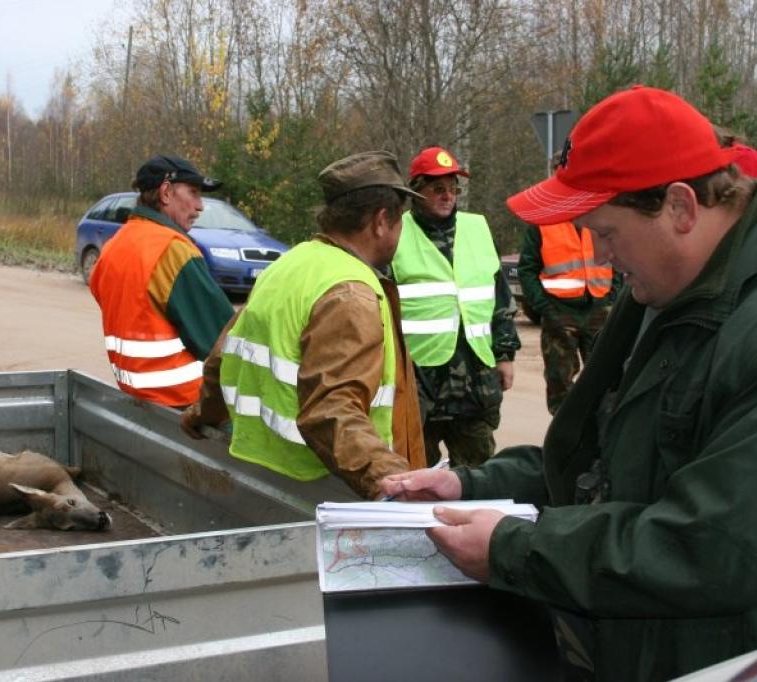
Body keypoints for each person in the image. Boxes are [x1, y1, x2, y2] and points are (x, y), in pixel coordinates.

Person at [380, 86, 757, 681]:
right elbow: (601, 455)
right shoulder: (668, 291)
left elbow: (715, 550)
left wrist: (514, 548)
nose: (599, 254)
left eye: (605, 231)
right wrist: (468, 484)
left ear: (680, 208)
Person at [181, 151, 427, 499]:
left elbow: (222, 357)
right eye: (400, 219)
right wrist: (394, 485)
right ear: (381, 220)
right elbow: (332, 410)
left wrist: (201, 413)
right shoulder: (351, 292)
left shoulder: (289, 264)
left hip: (263, 479)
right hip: (319, 489)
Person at [390, 146, 520, 467]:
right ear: (415, 191)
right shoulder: (395, 234)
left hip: (474, 381)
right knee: (416, 476)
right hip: (420, 381)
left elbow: (499, 299)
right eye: (438, 189)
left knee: (478, 476)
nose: (448, 196)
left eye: (452, 189)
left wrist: (505, 355)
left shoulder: (477, 228)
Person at [89, 154, 234, 407]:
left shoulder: (114, 246)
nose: (200, 206)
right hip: (187, 403)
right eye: (194, 193)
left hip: (136, 397)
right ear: (166, 192)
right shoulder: (173, 251)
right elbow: (221, 340)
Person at [517, 219, 618, 414]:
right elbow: (527, 269)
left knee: (607, 379)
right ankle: (566, 435)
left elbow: (617, 256)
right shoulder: (543, 223)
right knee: (559, 383)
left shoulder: (600, 213)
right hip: (559, 311)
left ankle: (601, 435)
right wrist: (545, 308)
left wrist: (611, 299)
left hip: (599, 307)